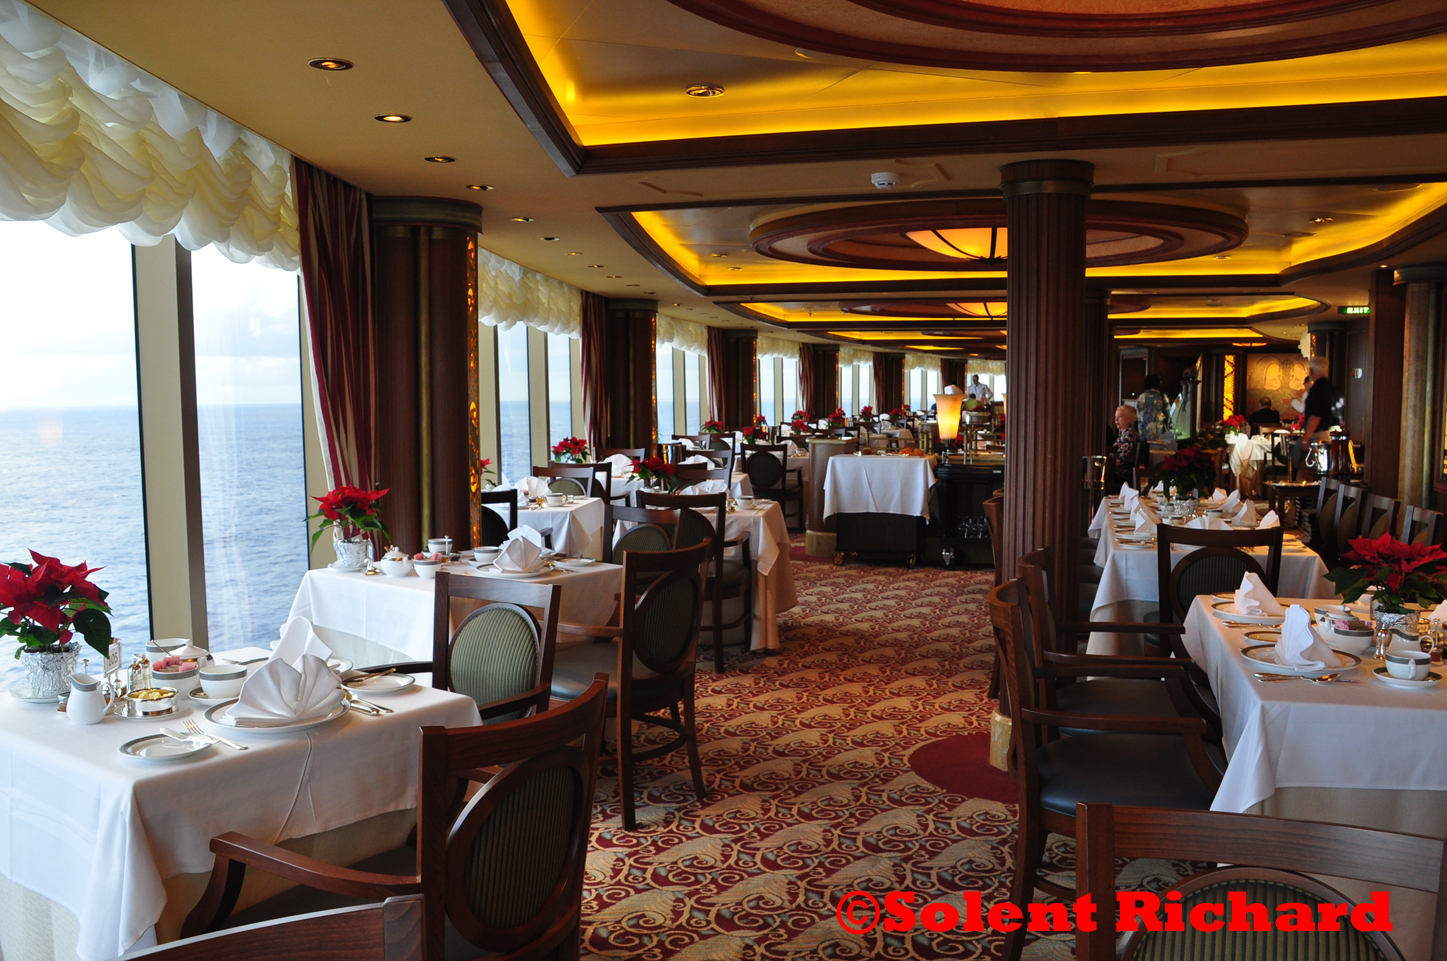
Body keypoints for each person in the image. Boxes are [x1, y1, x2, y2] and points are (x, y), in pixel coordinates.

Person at [1300, 356, 1341, 438]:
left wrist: (1305, 439)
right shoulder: (1335, 390)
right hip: (1335, 434)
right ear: (1328, 371)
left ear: (1310, 371)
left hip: (1319, 435)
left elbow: (1315, 417)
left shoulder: (1316, 390)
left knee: (1296, 445)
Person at [1108, 405, 1141, 494]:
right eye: (1115, 417)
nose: (1116, 420)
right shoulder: (1125, 435)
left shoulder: (1130, 436)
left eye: (1120, 416)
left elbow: (1121, 461)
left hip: (1121, 475)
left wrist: (1106, 464)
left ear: (1130, 419)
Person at [1135, 374, 1169, 443]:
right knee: (1157, 449)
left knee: (1145, 448)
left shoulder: (1141, 397)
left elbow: (1138, 414)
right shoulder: (1162, 396)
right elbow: (1168, 413)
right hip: (1158, 431)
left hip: (1143, 431)